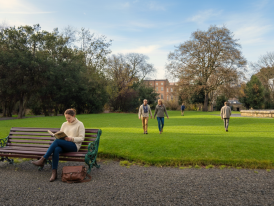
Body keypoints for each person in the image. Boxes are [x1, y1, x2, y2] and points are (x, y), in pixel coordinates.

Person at [32, 108, 85, 182]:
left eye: (69, 118)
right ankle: (54, 173)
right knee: (56, 149)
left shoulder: (80, 124)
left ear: (74, 116)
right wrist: (58, 136)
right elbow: (61, 134)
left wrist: (71, 139)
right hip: (64, 144)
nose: (67, 119)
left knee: (56, 142)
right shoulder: (64, 124)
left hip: (74, 146)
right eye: (66, 118)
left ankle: (43, 159)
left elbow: (82, 138)